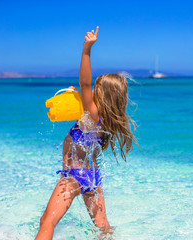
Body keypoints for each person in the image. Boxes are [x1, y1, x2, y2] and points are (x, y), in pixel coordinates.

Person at [36, 26, 138, 240]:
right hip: (92, 177)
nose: (90, 91)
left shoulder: (91, 112)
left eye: (95, 89)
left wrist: (86, 49)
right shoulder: (107, 120)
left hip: (73, 175)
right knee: (103, 228)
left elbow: (84, 82)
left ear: (102, 94)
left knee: (47, 222)